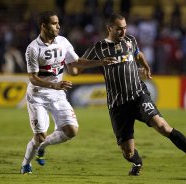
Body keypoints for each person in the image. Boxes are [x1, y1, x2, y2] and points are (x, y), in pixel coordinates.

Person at [80, 13, 186, 176]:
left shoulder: (130, 40)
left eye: (125, 28)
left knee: (163, 127)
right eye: (119, 29)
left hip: (138, 95)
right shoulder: (99, 47)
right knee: (128, 152)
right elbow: (75, 68)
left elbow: (138, 54)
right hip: (118, 104)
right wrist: (99, 63)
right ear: (109, 28)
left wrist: (145, 66)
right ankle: (137, 162)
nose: (123, 32)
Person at [20, 11, 116, 174]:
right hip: (38, 95)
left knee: (72, 131)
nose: (58, 26)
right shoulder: (33, 49)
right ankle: (25, 165)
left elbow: (77, 61)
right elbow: (33, 78)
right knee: (39, 136)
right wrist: (54, 86)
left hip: (57, 94)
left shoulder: (63, 42)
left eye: (58, 23)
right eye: (54, 23)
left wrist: (101, 62)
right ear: (43, 26)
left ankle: (43, 147)